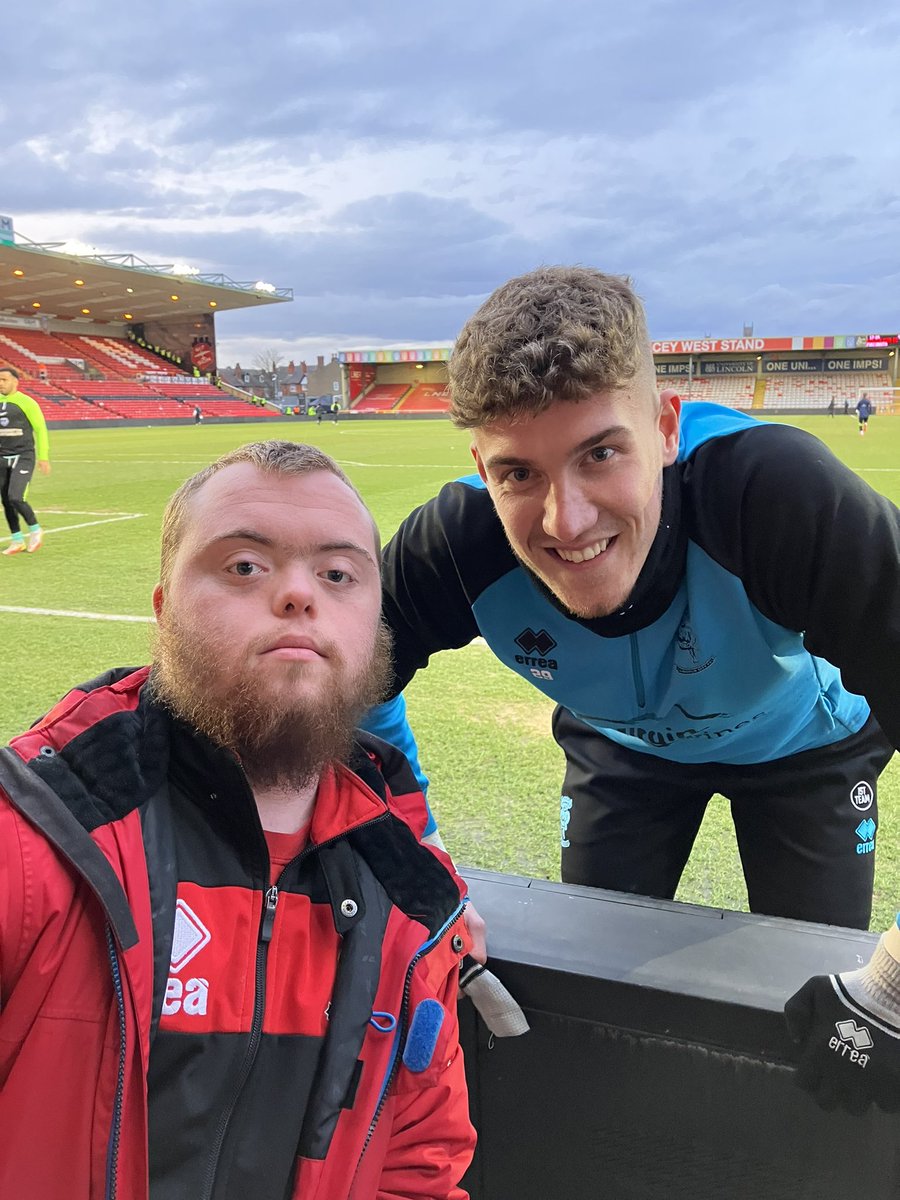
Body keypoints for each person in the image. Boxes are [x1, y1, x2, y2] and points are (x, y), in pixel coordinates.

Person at [361, 265, 900, 1113]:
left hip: (808, 748)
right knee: (584, 988)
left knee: (829, 1013)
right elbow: (339, 693)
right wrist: (411, 860)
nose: (564, 522)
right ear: (481, 466)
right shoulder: (455, 544)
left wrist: (897, 983)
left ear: (666, 426)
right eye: (518, 474)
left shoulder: (771, 493)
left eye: (601, 453)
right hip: (626, 750)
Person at [0, 440, 476, 1199]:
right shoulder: (33, 841)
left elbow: (419, 1164)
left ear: (377, 631)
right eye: (245, 566)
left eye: (338, 574)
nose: (298, 594)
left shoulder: (412, 903)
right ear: (163, 612)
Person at [0, 366, 50, 555]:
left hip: (23, 456)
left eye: (4, 380)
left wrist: (43, 457)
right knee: (5, 500)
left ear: (15, 382)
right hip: (1, 457)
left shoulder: (27, 402)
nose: (1, 383)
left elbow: (41, 429)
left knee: (16, 497)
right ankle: (17, 540)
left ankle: (35, 530)